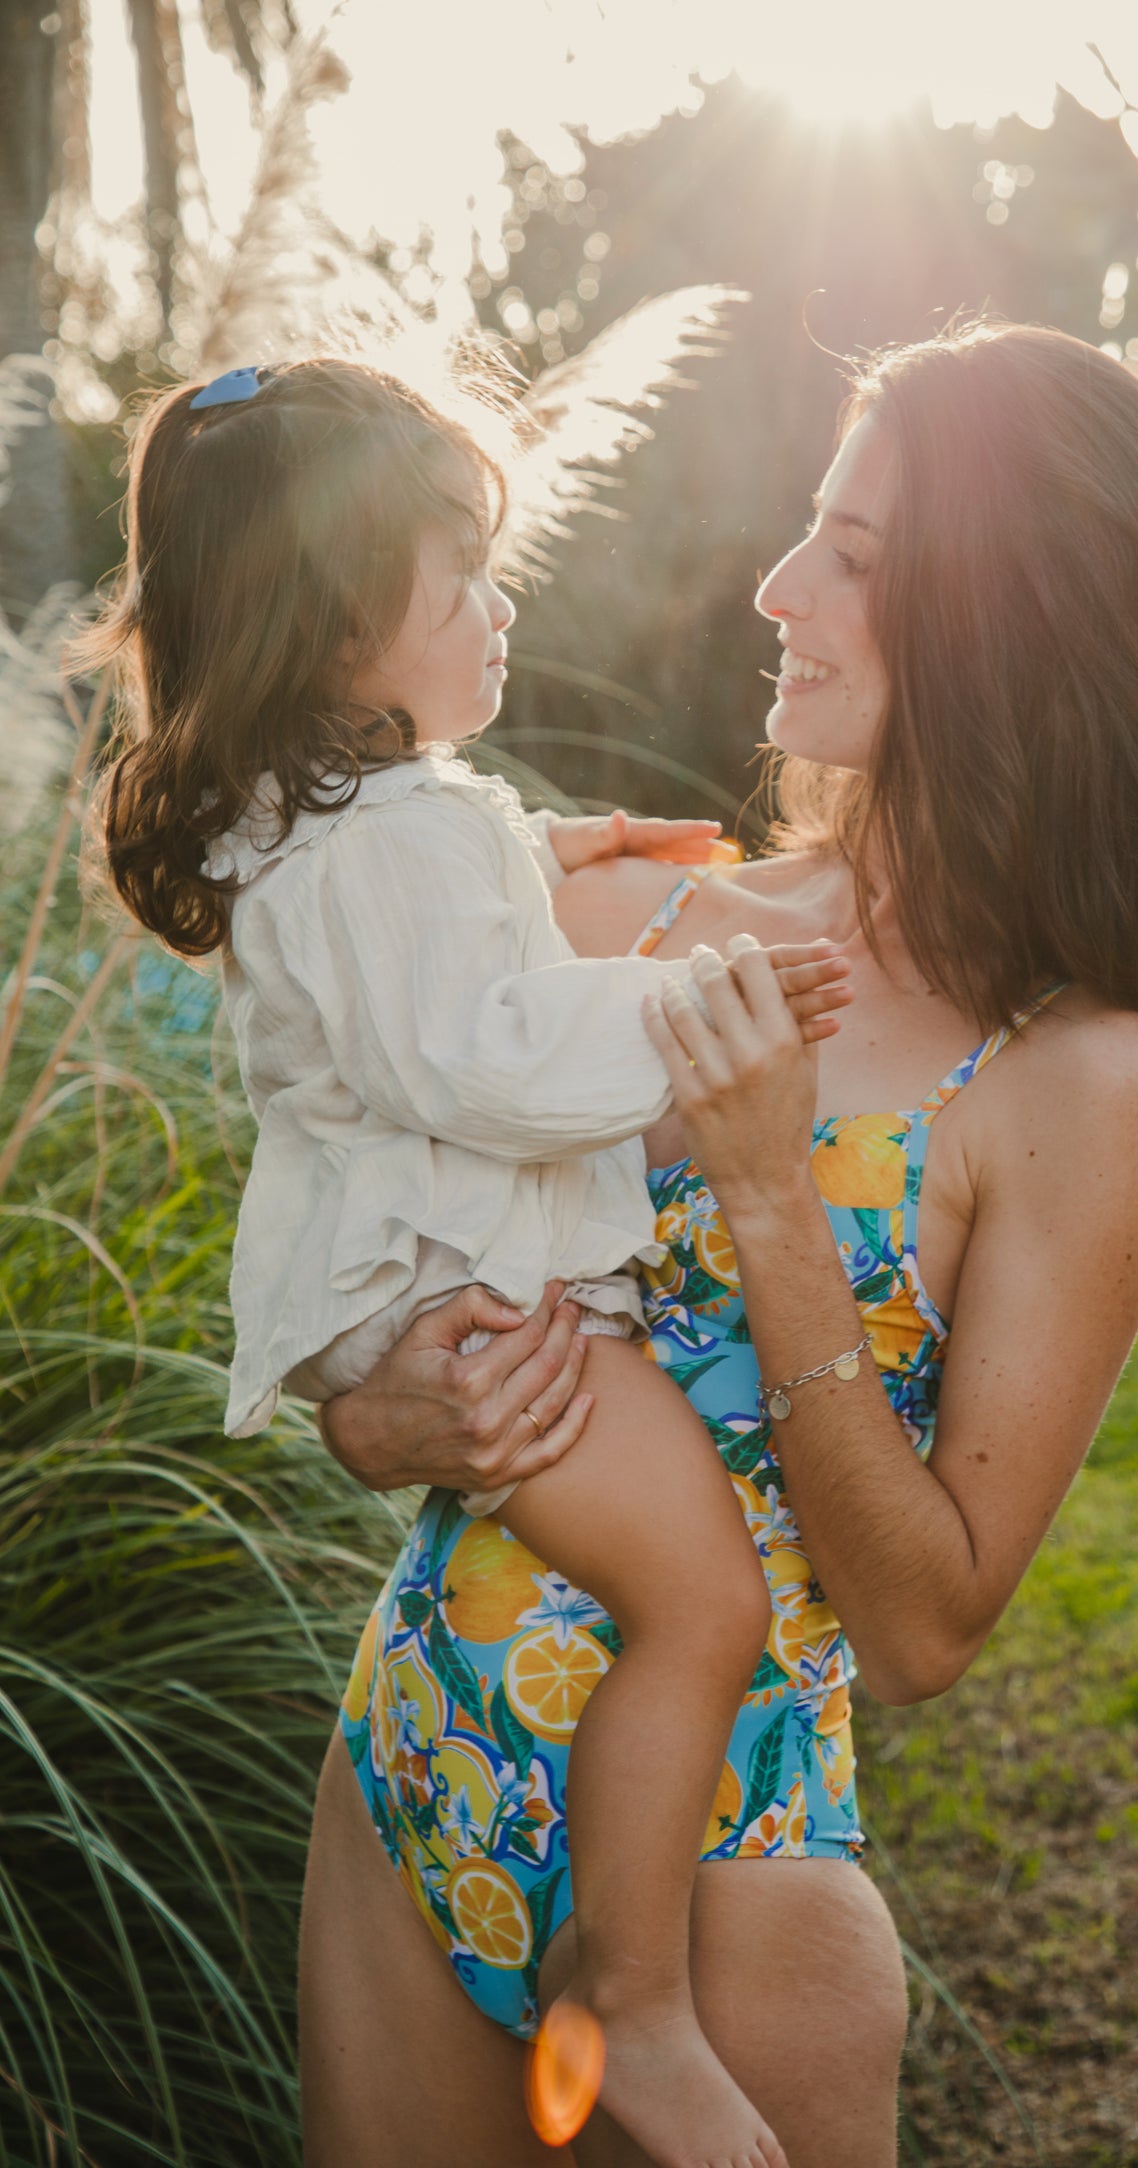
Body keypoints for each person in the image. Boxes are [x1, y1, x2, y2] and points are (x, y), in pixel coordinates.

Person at [304, 318, 1138, 2168]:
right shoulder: (618, 907)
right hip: (410, 1763)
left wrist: (777, 1204)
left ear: (1014, 619)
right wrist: (375, 1418)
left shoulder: (1078, 1078)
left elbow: (927, 1620)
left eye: (852, 557)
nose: (779, 588)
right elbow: (362, 1260)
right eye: (807, 529)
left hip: (727, 1862)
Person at [88, 357, 861, 2168]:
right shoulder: (408, 824)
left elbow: (424, 928)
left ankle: (625, 1977)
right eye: (461, 572)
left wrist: (553, 846)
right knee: (708, 1604)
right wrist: (695, 1002)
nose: (499, 604)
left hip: (403, 1298)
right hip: (484, 1304)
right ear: (338, 615)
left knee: (686, 1599)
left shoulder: (311, 819)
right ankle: (640, 2007)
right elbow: (481, 1055)